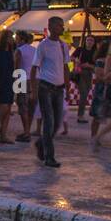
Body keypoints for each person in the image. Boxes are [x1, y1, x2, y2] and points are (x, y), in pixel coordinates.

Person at [30, 17, 67, 167]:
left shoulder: (63, 45)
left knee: (57, 123)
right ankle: (49, 156)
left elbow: (65, 66)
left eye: (62, 26)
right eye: (59, 25)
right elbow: (34, 68)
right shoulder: (43, 46)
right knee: (49, 122)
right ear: (51, 27)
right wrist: (33, 90)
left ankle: (41, 143)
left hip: (59, 87)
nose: (62, 28)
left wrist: (67, 86)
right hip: (46, 86)